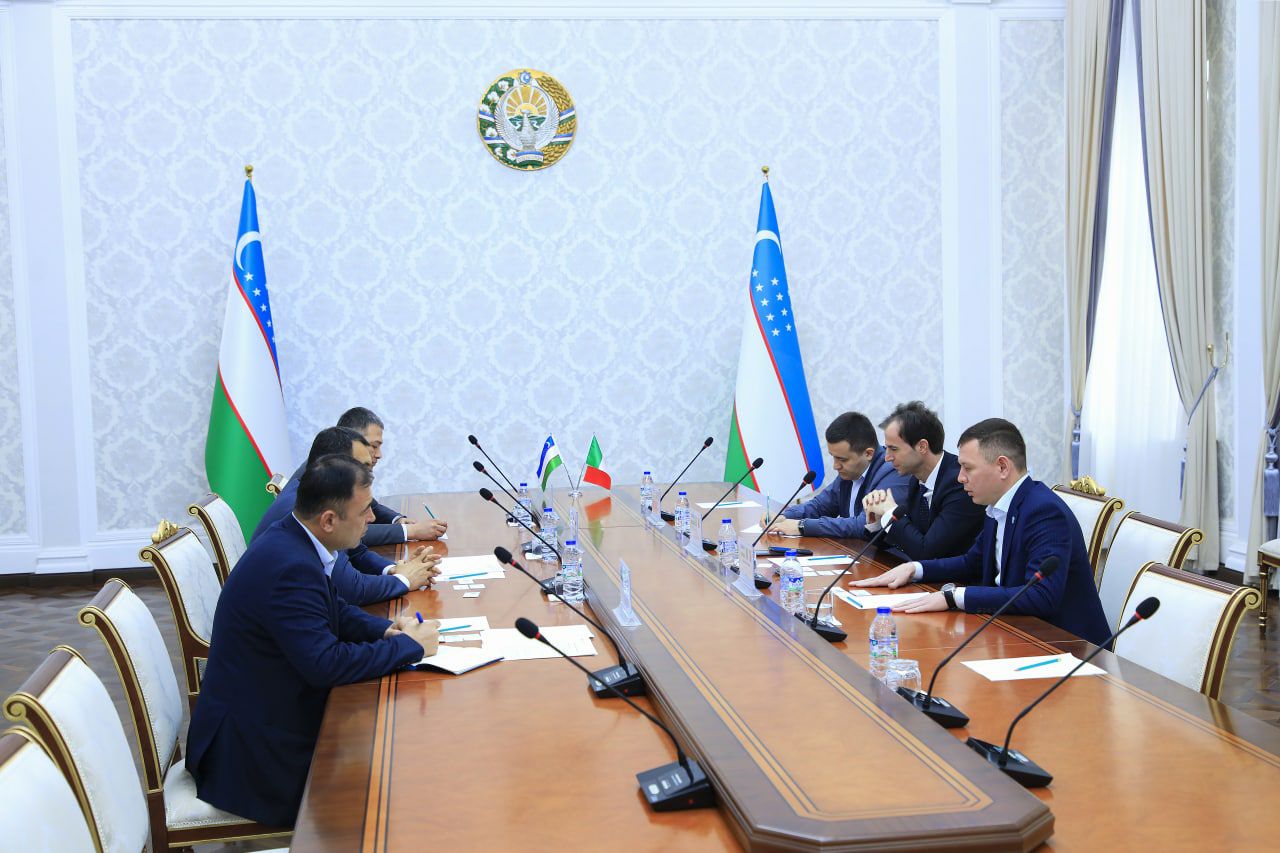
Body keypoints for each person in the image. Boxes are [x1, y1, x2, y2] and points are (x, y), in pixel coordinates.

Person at [187, 455, 440, 826]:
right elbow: (326, 664)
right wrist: (409, 646)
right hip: (252, 754)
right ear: (329, 520)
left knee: (397, 745)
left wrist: (386, 631)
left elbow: (334, 608)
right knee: (398, 782)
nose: (372, 519)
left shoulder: (292, 538)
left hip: (267, 713)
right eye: (364, 512)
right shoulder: (289, 566)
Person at [852, 418, 1111, 647]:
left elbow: (1041, 596)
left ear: (1002, 467)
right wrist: (915, 569)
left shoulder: (1043, 511)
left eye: (968, 468)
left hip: (1066, 646)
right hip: (1012, 630)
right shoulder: (998, 505)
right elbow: (972, 562)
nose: (960, 477)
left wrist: (954, 597)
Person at [255, 427, 439, 602]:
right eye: (361, 467)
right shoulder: (306, 510)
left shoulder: (322, 494)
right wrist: (404, 580)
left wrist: (394, 570)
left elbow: (357, 552)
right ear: (336, 467)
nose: (368, 473)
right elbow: (351, 590)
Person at [861, 401, 984, 560]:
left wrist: (890, 511)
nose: (887, 457)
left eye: (894, 449)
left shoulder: (959, 483)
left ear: (922, 447)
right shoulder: (916, 480)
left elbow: (926, 552)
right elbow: (906, 542)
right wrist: (876, 521)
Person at [770, 411, 910, 539]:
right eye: (833, 457)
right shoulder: (849, 473)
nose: (835, 466)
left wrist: (802, 526)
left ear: (868, 453)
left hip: (884, 557)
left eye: (842, 459)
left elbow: (863, 525)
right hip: (853, 552)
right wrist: (783, 516)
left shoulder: (893, 472)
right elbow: (820, 506)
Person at [337, 406, 448, 545]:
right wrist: (411, 531)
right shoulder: (326, 476)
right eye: (374, 446)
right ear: (352, 442)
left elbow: (373, 506)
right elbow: (347, 532)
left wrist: (398, 520)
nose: (379, 455)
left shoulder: (347, 470)